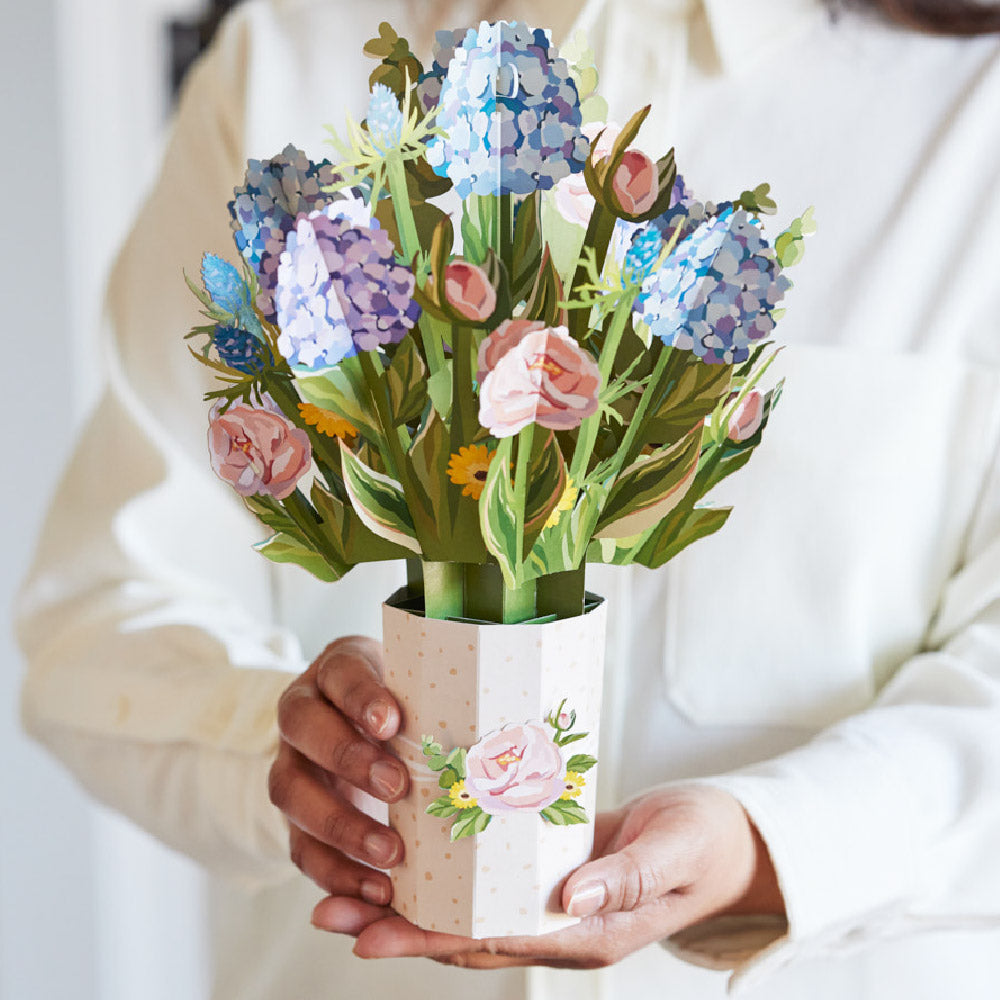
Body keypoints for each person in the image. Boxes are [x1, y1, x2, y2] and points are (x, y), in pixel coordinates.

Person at [16, 0, 1000, 997]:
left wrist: (767, 843)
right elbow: (100, 619)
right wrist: (300, 760)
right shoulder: (291, 55)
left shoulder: (975, 110)